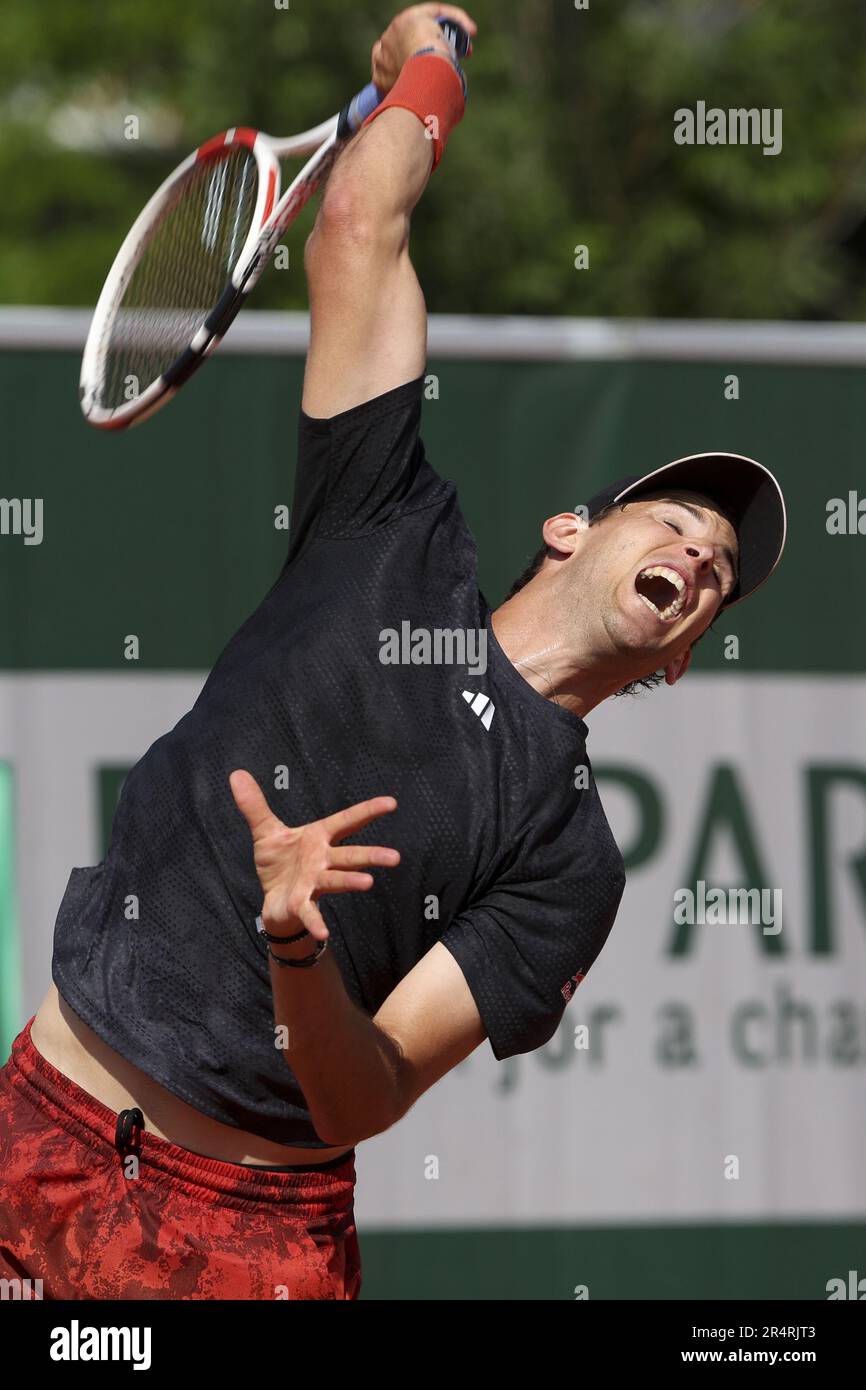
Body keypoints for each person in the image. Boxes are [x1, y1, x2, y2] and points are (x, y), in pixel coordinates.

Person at [0, 3, 785, 1301]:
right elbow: (359, 222)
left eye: (716, 577)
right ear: (570, 528)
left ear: (678, 660)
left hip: (238, 1239)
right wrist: (430, 64)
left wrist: (296, 948)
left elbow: (364, 1090)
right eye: (677, 520)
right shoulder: (383, 524)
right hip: (39, 1118)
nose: (699, 557)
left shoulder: (565, 857)